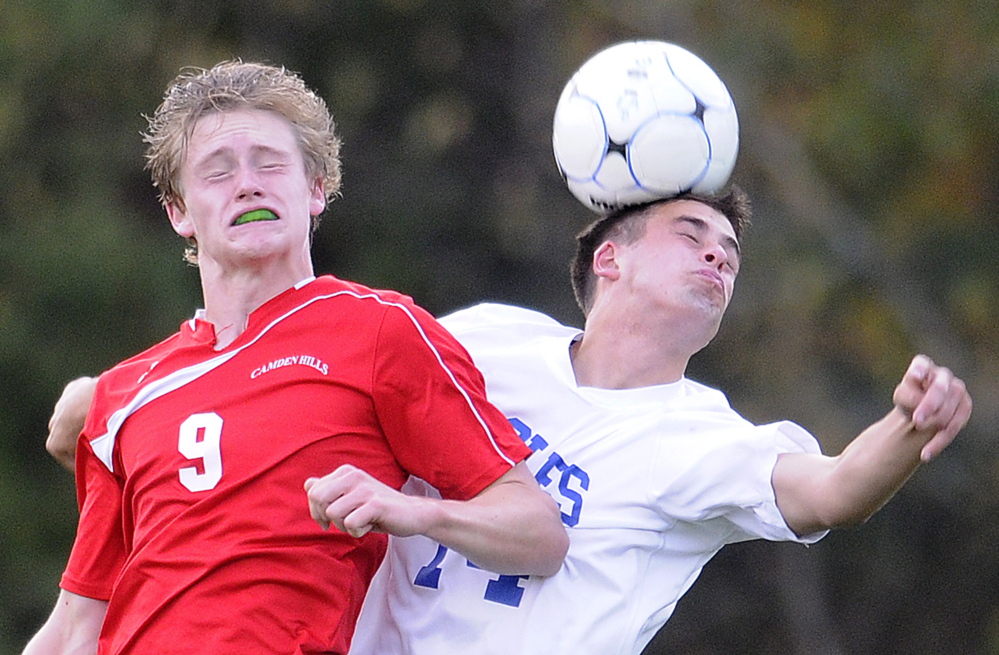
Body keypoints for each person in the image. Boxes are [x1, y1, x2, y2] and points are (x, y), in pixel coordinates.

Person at [23, 60, 567, 655]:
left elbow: (539, 534)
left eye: (270, 162)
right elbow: (76, 626)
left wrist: (411, 512)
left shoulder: (380, 331)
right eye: (217, 171)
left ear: (315, 189)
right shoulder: (127, 395)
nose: (248, 184)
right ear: (179, 212)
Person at [311, 189, 969, 654]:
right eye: (691, 235)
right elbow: (336, 408)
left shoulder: (700, 439)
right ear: (609, 258)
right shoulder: (487, 340)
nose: (718, 257)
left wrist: (907, 426)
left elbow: (834, 490)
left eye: (730, 255)